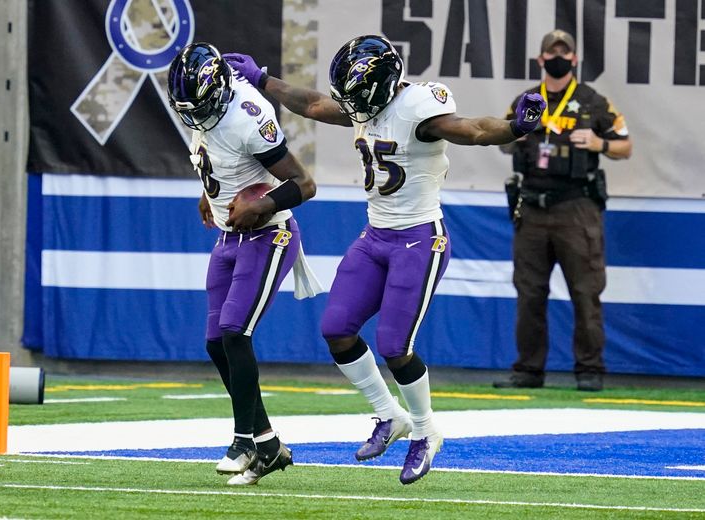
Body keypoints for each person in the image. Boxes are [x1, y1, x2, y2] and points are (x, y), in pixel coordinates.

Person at [225, 35, 545, 484]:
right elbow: (316, 105)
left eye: (357, 97)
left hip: (418, 240)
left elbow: (471, 130)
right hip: (375, 236)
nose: (352, 106)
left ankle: (426, 431)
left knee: (395, 345)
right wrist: (262, 80)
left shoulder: (419, 108)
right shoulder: (366, 103)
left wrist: (515, 127)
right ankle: (388, 415)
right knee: (336, 329)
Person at [167, 42, 317, 485]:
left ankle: (243, 441)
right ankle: (269, 445)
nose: (194, 115)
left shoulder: (248, 115)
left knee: (235, 331)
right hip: (231, 235)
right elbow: (215, 155)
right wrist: (209, 193)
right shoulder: (206, 106)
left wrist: (261, 205)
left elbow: (305, 185)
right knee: (216, 342)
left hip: (270, 234)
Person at [493, 30, 632, 392]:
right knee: (529, 293)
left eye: (564, 52)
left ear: (574, 59)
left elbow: (626, 146)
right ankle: (528, 370)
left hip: (577, 208)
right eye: (551, 53)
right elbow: (502, 142)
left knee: (586, 292)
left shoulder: (592, 101)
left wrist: (600, 142)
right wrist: (513, 137)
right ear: (540, 60)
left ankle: (589, 370)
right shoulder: (526, 100)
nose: (558, 57)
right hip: (533, 208)